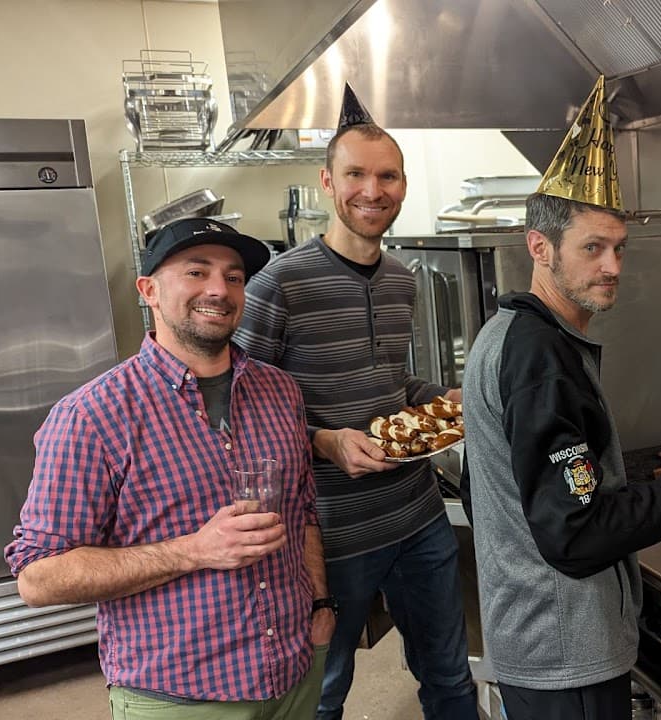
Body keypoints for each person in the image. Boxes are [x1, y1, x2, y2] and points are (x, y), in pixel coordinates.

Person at [6, 217, 333, 720]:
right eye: (196, 272)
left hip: (294, 672)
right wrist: (194, 550)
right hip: (179, 696)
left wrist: (319, 606)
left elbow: (303, 509)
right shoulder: (91, 416)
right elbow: (39, 578)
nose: (218, 290)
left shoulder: (280, 391)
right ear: (149, 291)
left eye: (233, 276)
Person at [233, 87, 478, 720]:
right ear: (326, 182)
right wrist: (324, 440)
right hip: (330, 533)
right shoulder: (277, 284)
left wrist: (444, 398)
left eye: (387, 175)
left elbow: (389, 381)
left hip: (419, 517)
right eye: (356, 174)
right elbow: (241, 408)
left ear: (402, 183)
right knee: (324, 690)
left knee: (450, 678)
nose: (373, 190)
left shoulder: (402, 279)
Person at [459, 188, 661, 719]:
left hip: (531, 633)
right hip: (564, 650)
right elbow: (576, 534)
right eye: (592, 249)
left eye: (620, 248)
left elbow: (481, 492)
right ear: (539, 247)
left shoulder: (505, 332)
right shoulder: (543, 361)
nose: (612, 267)